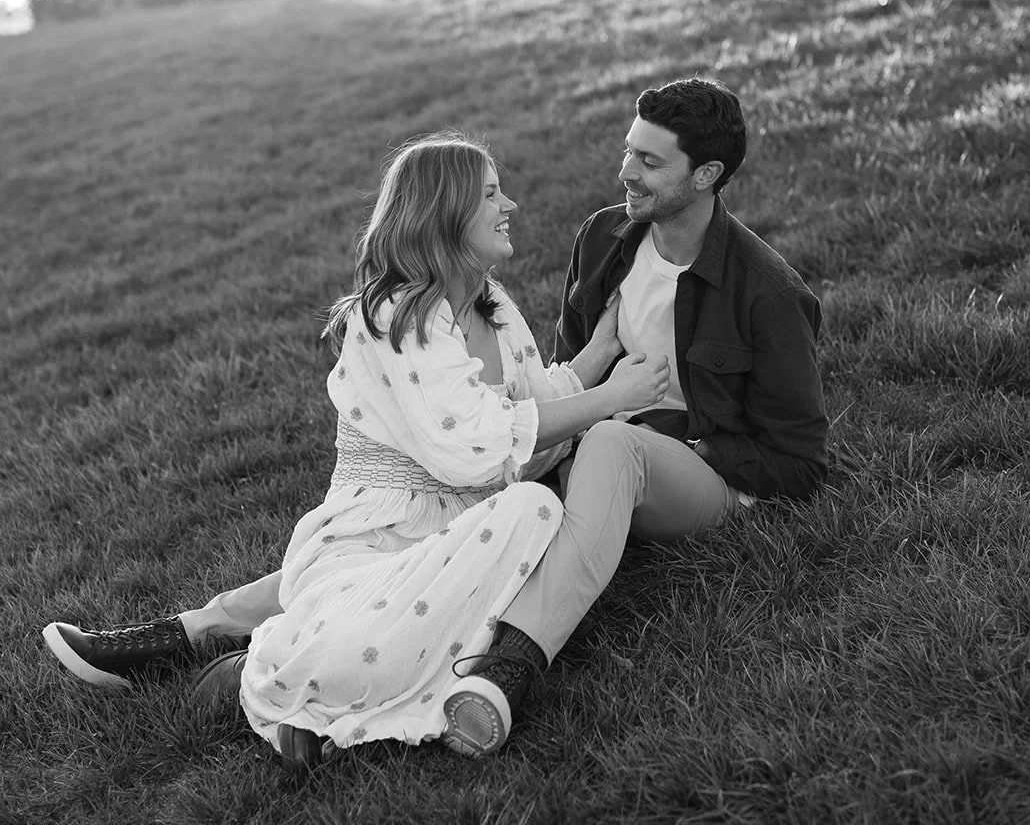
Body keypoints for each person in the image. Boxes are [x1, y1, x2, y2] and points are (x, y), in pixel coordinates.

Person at [45, 78, 829, 762]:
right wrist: (598, 372)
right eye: (629, 150)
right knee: (424, 543)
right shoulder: (604, 240)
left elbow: (794, 460)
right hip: (515, 470)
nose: (623, 170)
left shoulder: (763, 290)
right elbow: (516, 412)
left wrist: (624, 407)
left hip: (669, 464)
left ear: (708, 174)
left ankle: (473, 671)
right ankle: (212, 642)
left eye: (648, 162)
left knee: (557, 477)